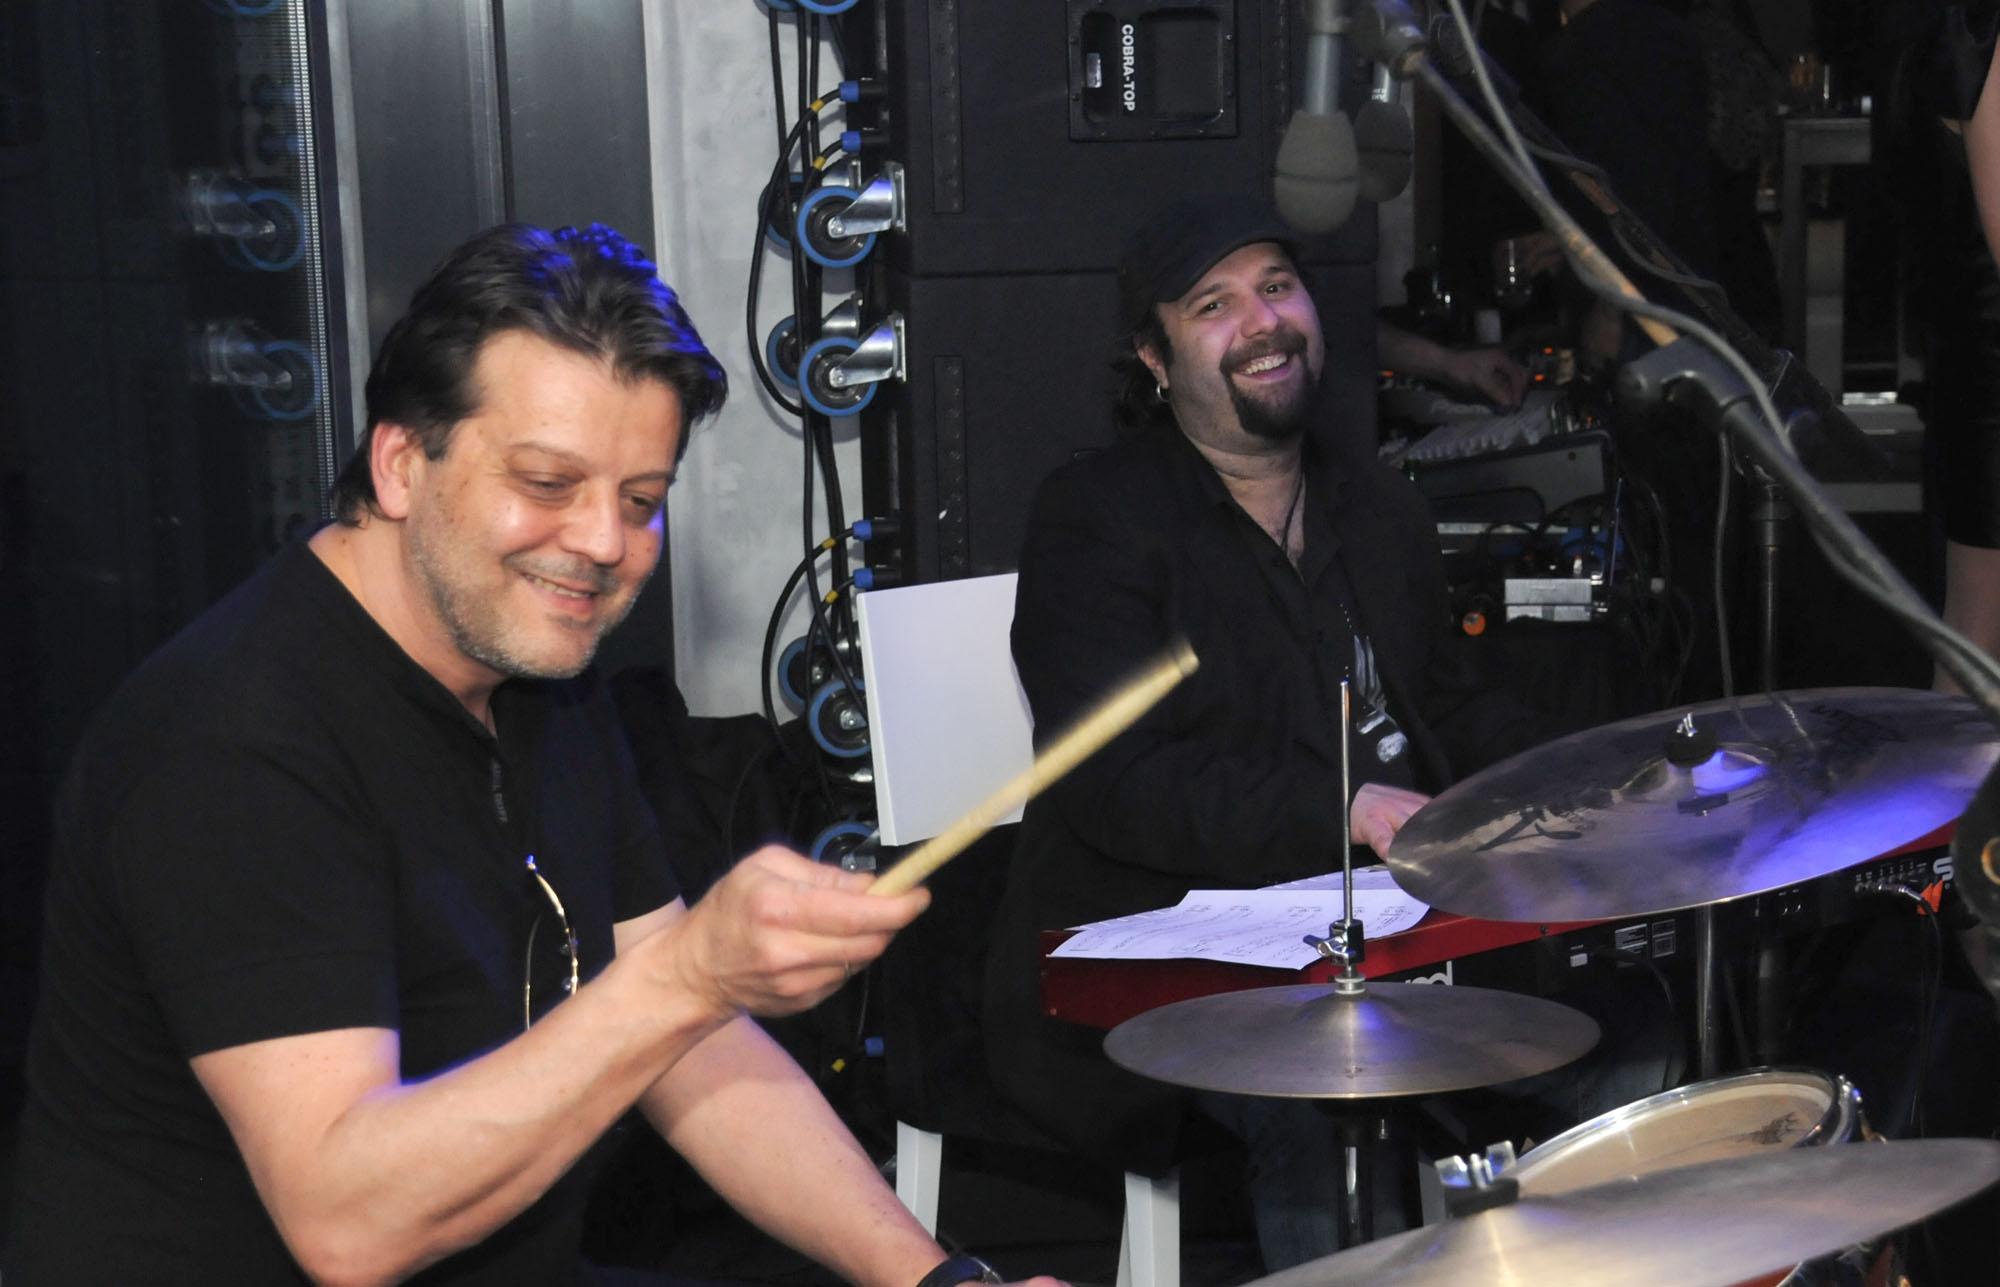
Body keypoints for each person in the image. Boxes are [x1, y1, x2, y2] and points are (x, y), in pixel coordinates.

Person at [4, 222, 1055, 1287]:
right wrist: (688, 978)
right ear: (401, 464)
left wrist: (930, 1279)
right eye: (549, 483)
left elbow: (692, 1042)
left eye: (640, 501)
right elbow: (348, 1227)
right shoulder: (233, 743)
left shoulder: (540, 675)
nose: (603, 543)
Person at [981, 194, 1576, 1273]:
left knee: (1617, 1037)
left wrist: (1590, 772)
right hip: (1164, 953)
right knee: (1325, 1098)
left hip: (1376, 936)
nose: (1261, 322)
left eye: (1276, 287)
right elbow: (1119, 783)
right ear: (1154, 358)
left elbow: (1444, 707)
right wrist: (1345, 806)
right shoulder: (1096, 517)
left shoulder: (1377, 505)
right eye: (1212, 305)